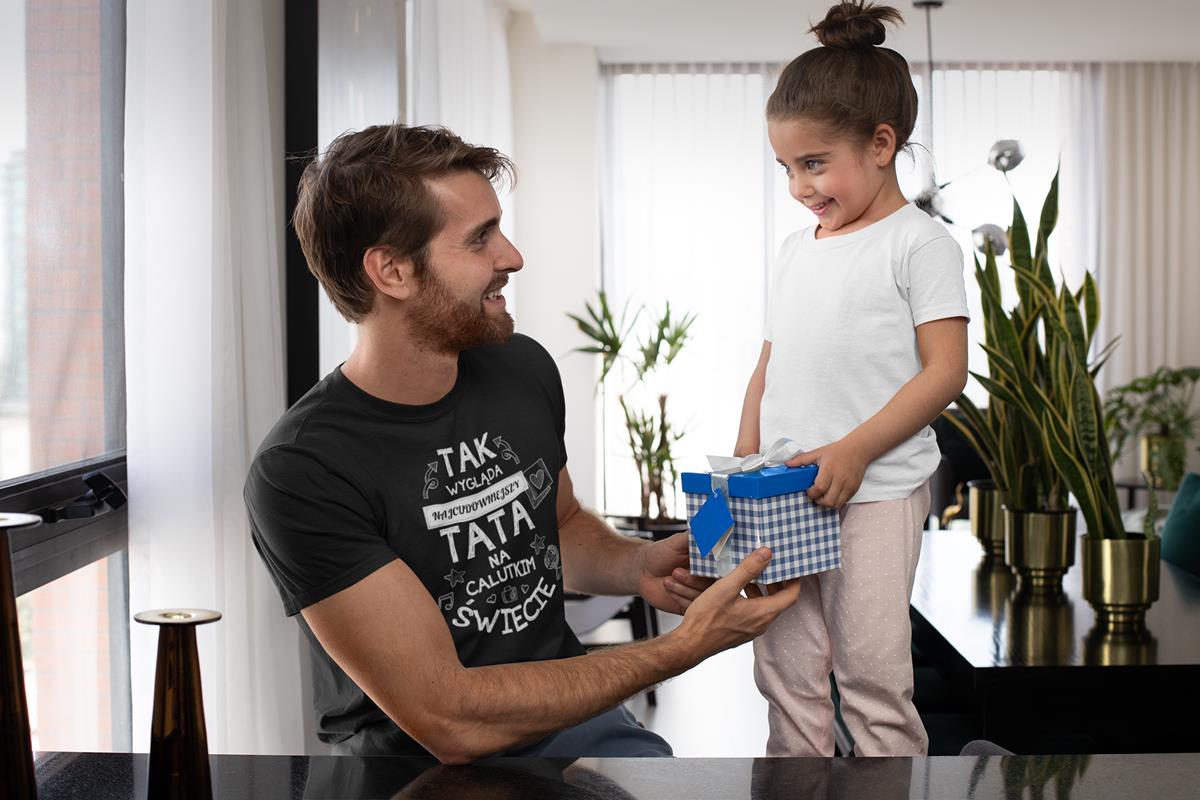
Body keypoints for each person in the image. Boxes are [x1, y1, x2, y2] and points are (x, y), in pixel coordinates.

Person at [244, 123, 801, 764]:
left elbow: (556, 523)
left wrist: (636, 565)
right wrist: (681, 647)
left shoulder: (519, 367)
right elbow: (449, 719)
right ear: (392, 271)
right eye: (479, 238)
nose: (512, 256)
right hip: (418, 765)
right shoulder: (303, 469)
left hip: (570, 718)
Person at [733, 1, 969, 756]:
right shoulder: (794, 250)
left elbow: (947, 372)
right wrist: (743, 465)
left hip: (875, 492)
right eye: (785, 168)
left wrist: (856, 449)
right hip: (783, 492)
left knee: (871, 676)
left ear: (881, 144)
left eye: (813, 163)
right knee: (785, 671)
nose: (798, 186)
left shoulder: (920, 244)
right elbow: (769, 366)